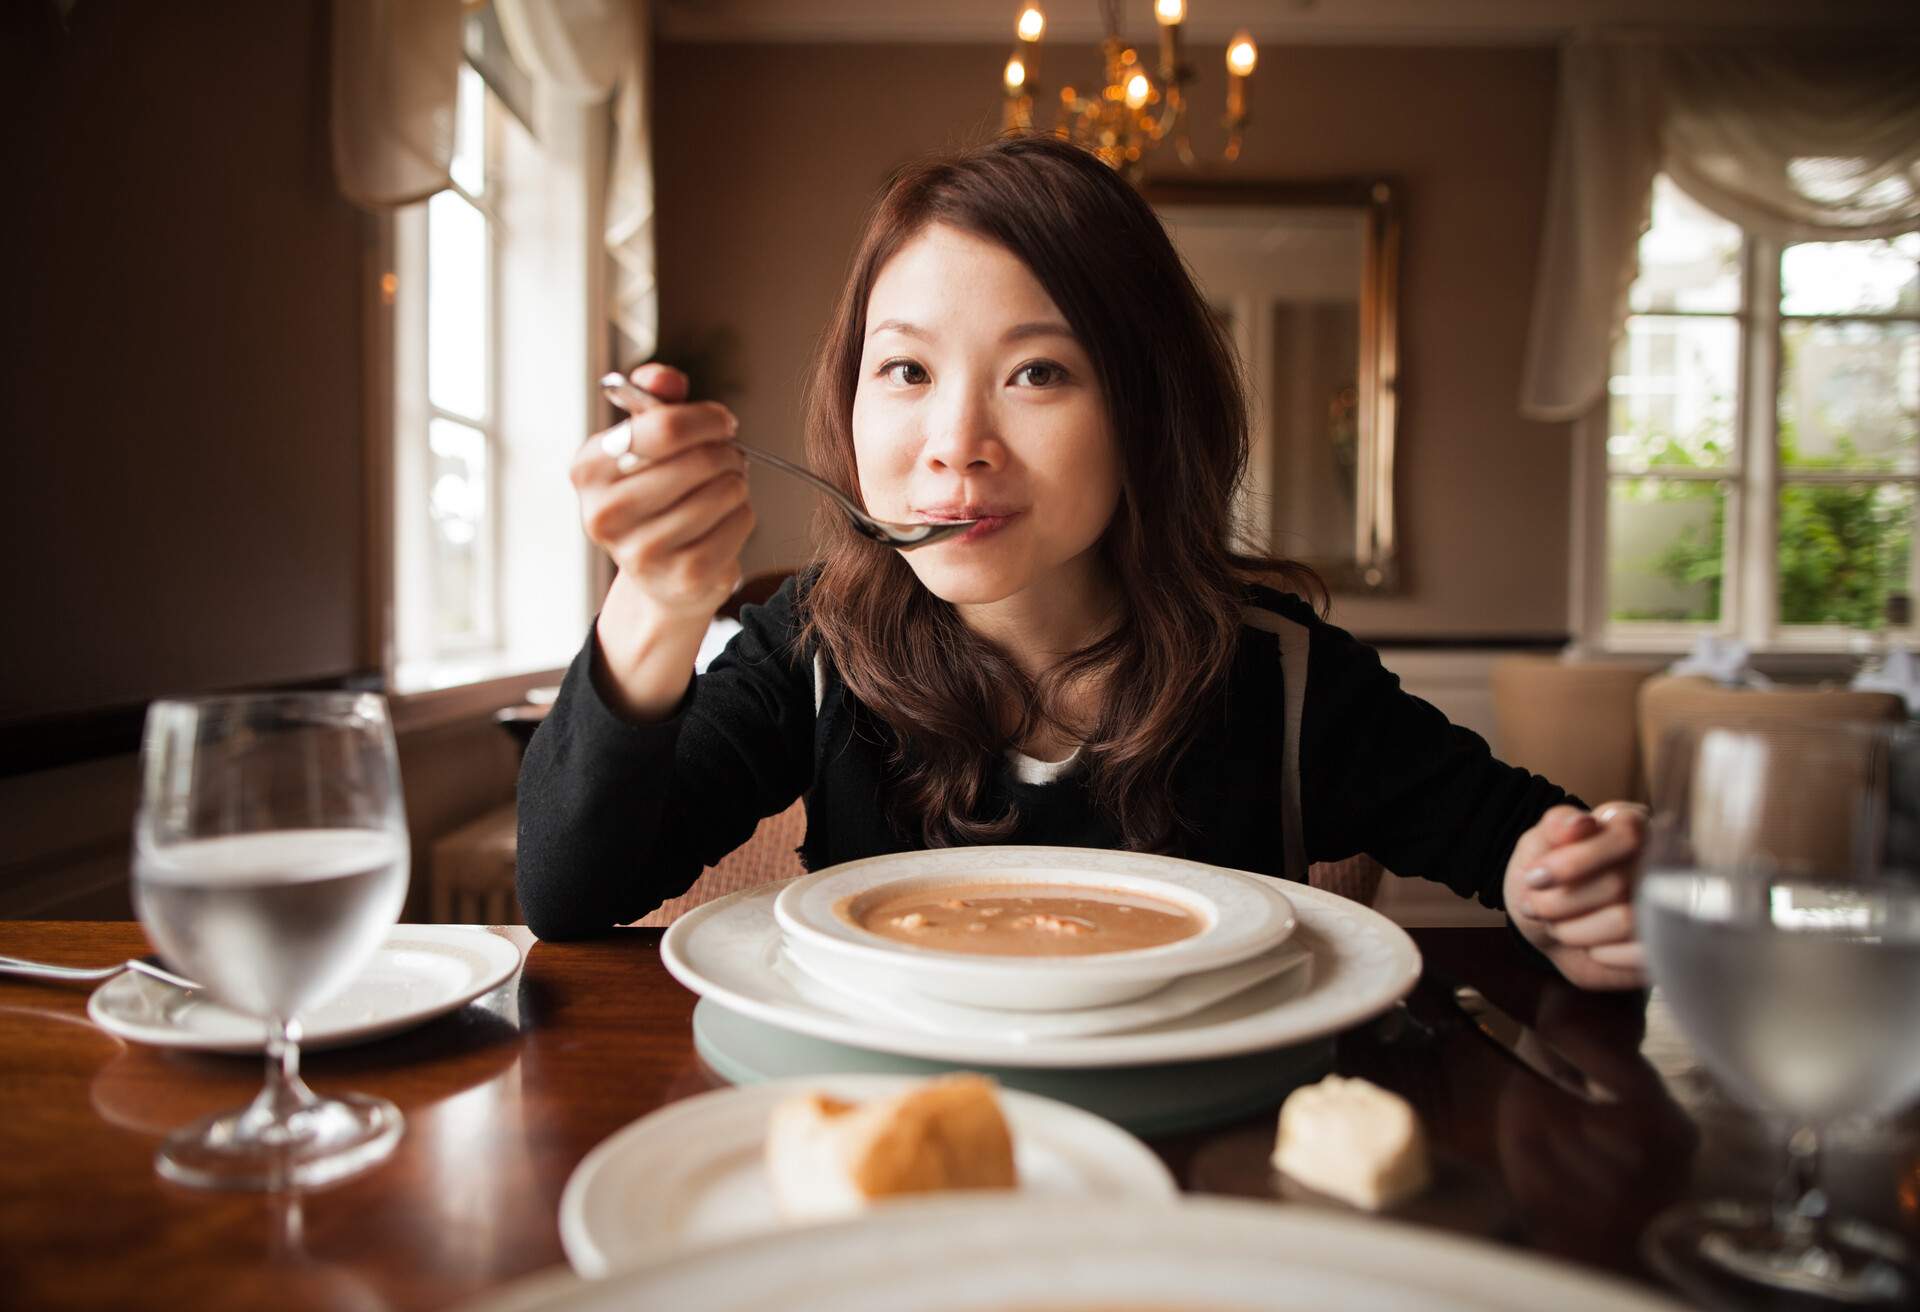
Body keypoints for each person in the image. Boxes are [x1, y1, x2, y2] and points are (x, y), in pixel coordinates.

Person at [516, 134, 1648, 991]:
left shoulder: (1286, 678)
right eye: (905, 371)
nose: (954, 440)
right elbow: (570, 893)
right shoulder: (814, 649)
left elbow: (1518, 844)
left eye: (1038, 373)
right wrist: (658, 597)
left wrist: (1563, 890)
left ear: (1143, 415)